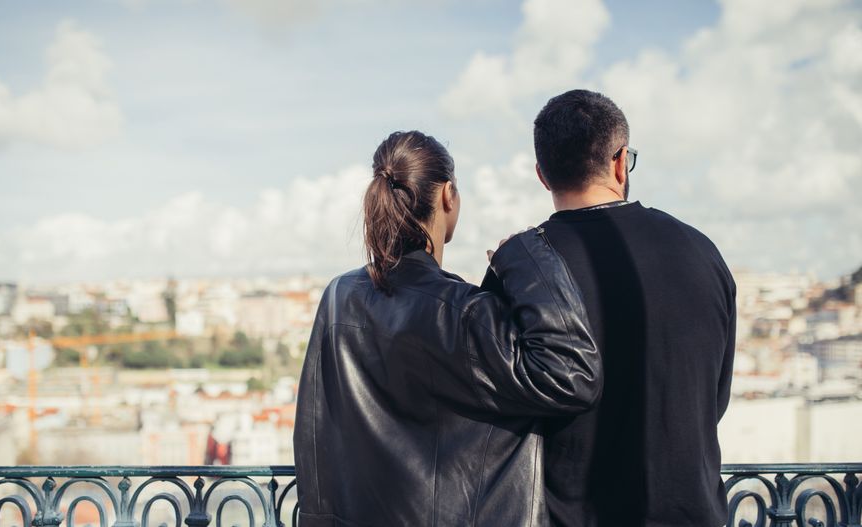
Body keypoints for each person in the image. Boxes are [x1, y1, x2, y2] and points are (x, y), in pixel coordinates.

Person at [293, 130, 603, 526]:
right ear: (447, 195)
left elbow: (315, 428)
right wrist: (523, 256)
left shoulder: (339, 296)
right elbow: (573, 375)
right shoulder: (464, 312)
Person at [485, 89, 736, 526]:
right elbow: (714, 399)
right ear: (620, 162)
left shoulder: (521, 270)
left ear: (542, 175)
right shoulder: (703, 253)